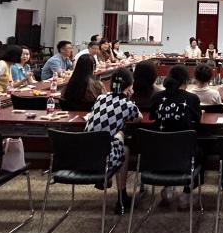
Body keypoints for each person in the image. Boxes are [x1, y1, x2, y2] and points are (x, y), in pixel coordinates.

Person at [82, 67, 139, 211]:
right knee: (122, 139)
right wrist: (128, 100)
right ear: (129, 87)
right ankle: (120, 194)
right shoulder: (128, 105)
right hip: (106, 157)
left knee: (115, 136)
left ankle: (108, 180)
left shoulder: (100, 98)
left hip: (85, 153)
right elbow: (138, 118)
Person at [150, 64, 201, 132]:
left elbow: (152, 117)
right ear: (185, 81)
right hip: (184, 138)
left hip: (159, 138)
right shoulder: (193, 98)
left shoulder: (156, 96)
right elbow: (197, 119)